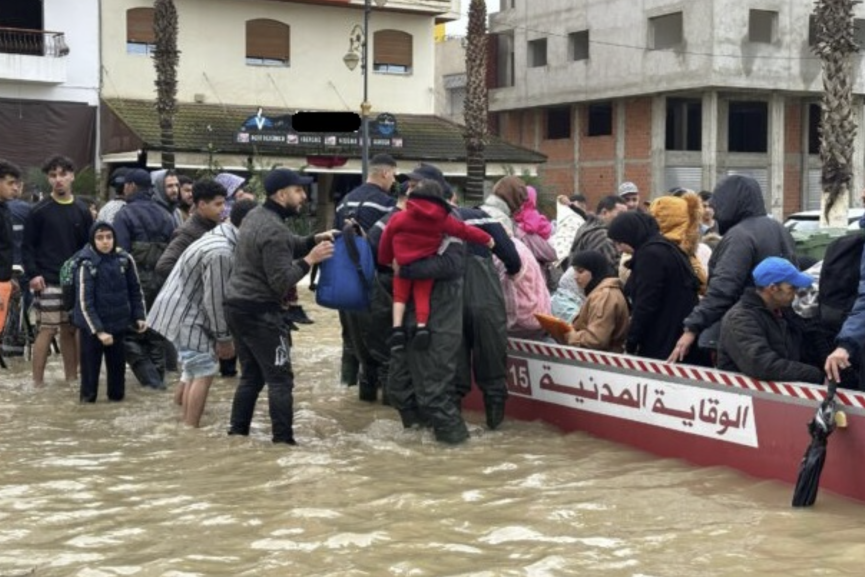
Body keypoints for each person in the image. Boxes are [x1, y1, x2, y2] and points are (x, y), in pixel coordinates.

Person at [224, 169, 335, 445]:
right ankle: (283, 444)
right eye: (298, 191)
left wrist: (312, 240)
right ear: (281, 194)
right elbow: (281, 281)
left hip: (236, 306)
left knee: (251, 377)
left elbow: (285, 246)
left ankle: (237, 435)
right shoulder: (273, 227)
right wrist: (310, 259)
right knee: (280, 379)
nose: (303, 196)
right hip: (260, 311)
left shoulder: (257, 216)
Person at [149, 199, 258, 426]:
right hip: (187, 314)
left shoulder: (221, 233)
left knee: (191, 370)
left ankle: (179, 421)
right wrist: (224, 339)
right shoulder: (222, 252)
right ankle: (190, 431)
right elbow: (215, 300)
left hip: (176, 309)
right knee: (204, 370)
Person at [668, 175, 798, 363]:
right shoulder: (780, 229)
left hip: (741, 333)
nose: (714, 211)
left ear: (732, 202)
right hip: (778, 330)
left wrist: (692, 328)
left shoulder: (741, 236)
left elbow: (723, 288)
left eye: (718, 205)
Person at [378, 180, 493, 352]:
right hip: (426, 266)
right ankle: (422, 327)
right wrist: (487, 239)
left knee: (400, 297)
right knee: (422, 296)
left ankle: (397, 329)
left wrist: (386, 259)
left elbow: (385, 240)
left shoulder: (399, 218)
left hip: (401, 266)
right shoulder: (442, 220)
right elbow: (464, 231)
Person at [22, 155, 93, 387]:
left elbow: (87, 247)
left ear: (72, 176)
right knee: (47, 329)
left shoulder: (82, 211)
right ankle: (37, 383)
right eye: (53, 175)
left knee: (70, 330)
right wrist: (33, 274)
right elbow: (27, 246)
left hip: (74, 280)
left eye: (63, 174)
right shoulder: (39, 211)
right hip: (47, 279)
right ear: (48, 179)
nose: (58, 180)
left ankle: (72, 380)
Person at [333, 154, 398, 389]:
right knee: (383, 344)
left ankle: (349, 389)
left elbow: (336, 237)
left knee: (351, 339)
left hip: (346, 281)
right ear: (385, 173)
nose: (394, 181)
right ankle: (386, 400)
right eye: (394, 175)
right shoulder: (387, 203)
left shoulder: (345, 201)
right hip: (375, 279)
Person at [113, 168, 176, 389]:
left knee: (128, 336)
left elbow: (119, 255)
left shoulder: (124, 214)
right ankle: (158, 385)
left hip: (136, 285)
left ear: (130, 186)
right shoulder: (167, 215)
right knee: (155, 335)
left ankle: (152, 383)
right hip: (163, 285)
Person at [608, 211, 701, 361]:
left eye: (620, 243)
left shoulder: (650, 256)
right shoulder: (665, 247)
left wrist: (632, 342)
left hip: (664, 340)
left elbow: (646, 303)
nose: (619, 249)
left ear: (631, 235)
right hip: (678, 333)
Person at [72, 222, 147, 402]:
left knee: (117, 383)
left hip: (118, 326)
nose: (105, 242)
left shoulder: (124, 259)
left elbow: (135, 290)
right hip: (91, 330)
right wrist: (99, 331)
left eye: (109, 237)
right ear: (92, 240)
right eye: (100, 238)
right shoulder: (86, 264)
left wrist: (139, 316)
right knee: (89, 386)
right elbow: (84, 302)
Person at [719, 257, 822, 384]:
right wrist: (814, 374)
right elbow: (762, 365)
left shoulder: (783, 311)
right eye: (792, 288)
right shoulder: (740, 319)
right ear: (773, 288)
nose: (796, 292)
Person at [155, 179, 227, 281]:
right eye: (218, 204)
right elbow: (164, 266)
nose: (223, 208)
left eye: (224, 203)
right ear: (202, 204)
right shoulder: (188, 233)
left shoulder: (214, 225)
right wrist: (200, 279)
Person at [562, 250, 629, 352]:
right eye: (574, 271)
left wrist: (572, 336)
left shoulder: (604, 296)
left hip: (603, 361)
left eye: (580, 271)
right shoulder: (601, 292)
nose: (575, 277)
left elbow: (596, 340)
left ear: (595, 270)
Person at [568, 195, 628, 273]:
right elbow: (614, 270)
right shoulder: (602, 237)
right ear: (604, 212)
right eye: (620, 215)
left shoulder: (587, 226)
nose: (624, 219)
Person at [0, 160, 20, 336]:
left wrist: (8, 276)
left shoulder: (5, 208)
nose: (15, 188)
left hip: (3, 280)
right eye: (10, 183)